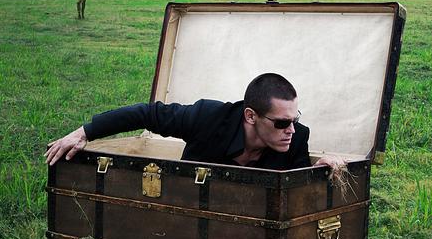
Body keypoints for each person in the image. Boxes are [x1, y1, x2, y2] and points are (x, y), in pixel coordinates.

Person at [45, 73, 340, 172]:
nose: (290, 130)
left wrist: (320, 171)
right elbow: (146, 114)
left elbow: (300, 184)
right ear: (250, 116)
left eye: (294, 120)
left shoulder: (297, 137)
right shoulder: (208, 118)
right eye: (282, 123)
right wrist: (85, 132)